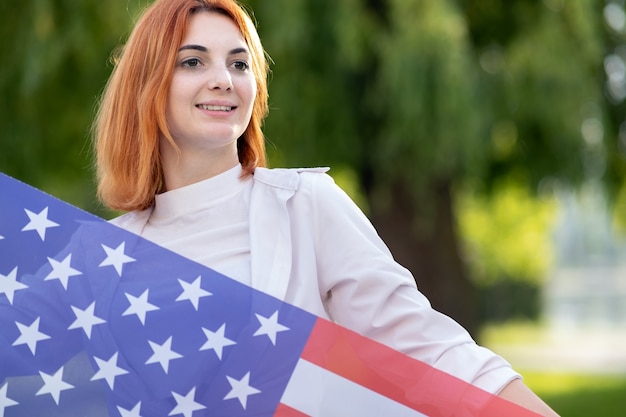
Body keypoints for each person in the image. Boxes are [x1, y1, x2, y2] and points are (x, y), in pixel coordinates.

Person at [93, 0, 559, 415]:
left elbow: (426, 347)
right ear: (147, 83)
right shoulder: (102, 253)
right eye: (193, 61)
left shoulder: (303, 205)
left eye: (239, 64)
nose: (223, 80)